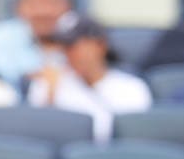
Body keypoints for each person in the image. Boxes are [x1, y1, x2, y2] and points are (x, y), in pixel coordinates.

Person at [27, 12, 153, 142]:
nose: (68, 53)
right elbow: (39, 136)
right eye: (64, 47)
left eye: (74, 46)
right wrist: (50, 93)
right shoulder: (48, 83)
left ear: (100, 46)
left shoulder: (132, 87)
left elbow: (134, 137)